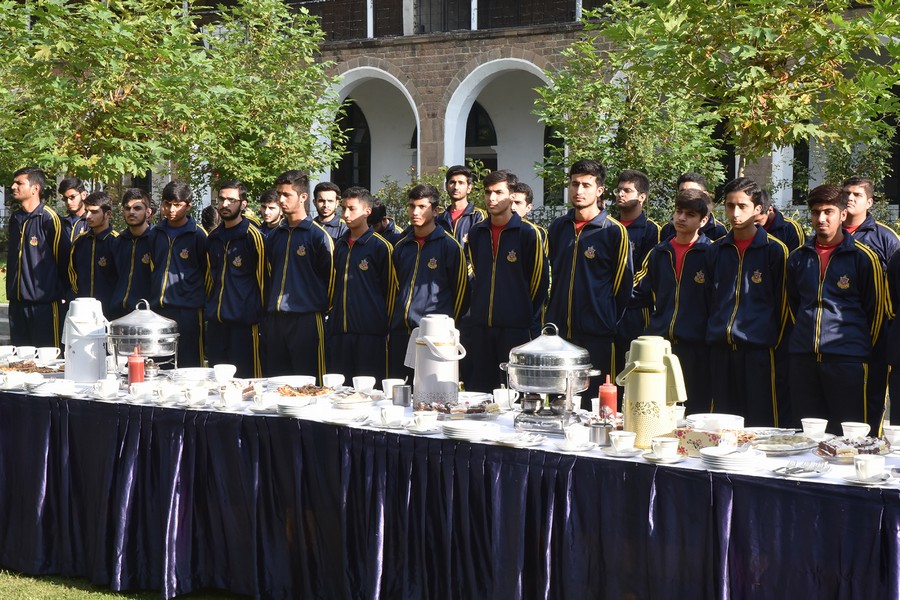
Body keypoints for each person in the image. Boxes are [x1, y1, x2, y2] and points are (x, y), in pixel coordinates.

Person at [787, 184, 885, 434]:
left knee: (849, 437)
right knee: (807, 436)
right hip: (804, 359)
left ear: (842, 214)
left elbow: (875, 311)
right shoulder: (798, 257)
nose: (821, 219)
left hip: (848, 362)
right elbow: (793, 303)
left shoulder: (864, 257)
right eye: (815, 212)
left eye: (828, 212)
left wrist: (855, 347)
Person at [545, 159, 633, 405]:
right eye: (575, 184)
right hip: (560, 334)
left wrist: (604, 316)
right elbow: (550, 274)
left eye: (586, 185)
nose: (579, 190)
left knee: (596, 404)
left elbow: (623, 285)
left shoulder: (613, 231)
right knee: (559, 402)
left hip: (597, 334)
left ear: (600, 190)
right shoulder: (558, 228)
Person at [705, 177, 788, 426]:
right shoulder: (716, 250)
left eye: (742, 206)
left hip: (759, 351)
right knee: (722, 423)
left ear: (757, 209)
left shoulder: (774, 250)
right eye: (730, 206)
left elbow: (784, 304)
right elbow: (709, 298)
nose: (735, 213)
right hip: (721, 348)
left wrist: (772, 341)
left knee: (760, 422)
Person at [464, 171, 549, 392]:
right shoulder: (476, 233)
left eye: (498, 192)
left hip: (516, 328)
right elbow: (478, 274)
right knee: (480, 392)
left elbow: (539, 282)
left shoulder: (528, 233)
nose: (492, 198)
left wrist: (524, 316)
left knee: (516, 392)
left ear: (512, 195)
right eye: (488, 192)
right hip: (481, 326)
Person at [633, 188, 713, 411]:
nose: (681, 218)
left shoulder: (711, 253)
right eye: (679, 211)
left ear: (703, 220)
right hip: (661, 344)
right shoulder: (659, 252)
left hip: (698, 345)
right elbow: (637, 291)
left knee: (695, 408)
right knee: (659, 406)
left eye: (690, 214)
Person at [388, 184, 468, 379]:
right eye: (411, 206)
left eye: (422, 207)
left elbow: (461, 293)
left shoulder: (450, 246)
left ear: (435, 211)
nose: (415, 212)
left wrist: (444, 326)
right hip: (401, 332)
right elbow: (394, 288)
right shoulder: (401, 246)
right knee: (399, 389)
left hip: (434, 335)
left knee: (431, 391)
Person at [841, 176, 898, 432]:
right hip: (837, 334)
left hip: (875, 333)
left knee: (872, 398)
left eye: (857, 194)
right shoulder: (831, 233)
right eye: (846, 194)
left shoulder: (884, 237)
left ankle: (872, 444)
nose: (850, 198)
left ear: (870, 202)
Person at [264, 170, 334, 379]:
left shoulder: (318, 236)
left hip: (307, 320)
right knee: (276, 382)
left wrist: (315, 307)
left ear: (303, 197)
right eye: (279, 194)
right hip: (275, 320)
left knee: (309, 382)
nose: (281, 200)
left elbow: (331, 280)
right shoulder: (274, 236)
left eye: (287, 195)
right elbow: (269, 273)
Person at [328, 187, 396, 379]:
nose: (346, 214)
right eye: (344, 208)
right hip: (340, 331)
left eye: (352, 209)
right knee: (340, 389)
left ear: (367, 211)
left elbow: (390, 291)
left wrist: (383, 326)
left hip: (370, 334)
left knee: (369, 389)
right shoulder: (340, 245)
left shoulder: (381, 247)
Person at [754, 188, 805, 426]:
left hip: (781, 312)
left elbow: (794, 274)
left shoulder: (789, 231)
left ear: (769, 210)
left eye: (758, 220)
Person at [205, 181, 265, 378]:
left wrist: (258, 315)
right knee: (217, 381)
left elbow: (263, 280)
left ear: (243, 204)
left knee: (246, 381)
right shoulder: (213, 237)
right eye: (221, 199)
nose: (225, 204)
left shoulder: (253, 236)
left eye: (231, 200)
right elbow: (210, 279)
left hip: (244, 323)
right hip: (217, 322)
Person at [6, 167, 70, 347]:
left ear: (35, 188)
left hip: (44, 305)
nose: (13, 187)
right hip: (17, 304)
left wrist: (62, 292)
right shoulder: (15, 218)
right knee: (20, 357)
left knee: (47, 357)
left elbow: (64, 258)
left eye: (19, 183)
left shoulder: (48, 218)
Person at [149, 181, 209, 368]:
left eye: (177, 205)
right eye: (167, 204)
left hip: (188, 309)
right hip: (159, 309)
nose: (171, 209)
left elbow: (206, 270)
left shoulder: (198, 235)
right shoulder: (156, 233)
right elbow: (154, 264)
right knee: (159, 363)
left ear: (188, 205)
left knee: (189, 363)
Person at [612, 169, 660, 395]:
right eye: (619, 190)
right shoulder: (609, 226)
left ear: (642, 197)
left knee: (634, 372)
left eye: (627, 190)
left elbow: (646, 271)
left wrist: (617, 290)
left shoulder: (652, 230)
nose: (621, 194)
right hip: (607, 308)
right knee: (609, 372)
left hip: (636, 309)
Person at [68, 191, 119, 317]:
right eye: (87, 211)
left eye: (94, 212)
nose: (88, 216)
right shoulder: (80, 241)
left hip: (109, 311)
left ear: (108, 214)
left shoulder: (117, 241)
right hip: (82, 310)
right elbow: (72, 273)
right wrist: (76, 297)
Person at [109, 188, 154, 319]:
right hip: (118, 312)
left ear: (148, 212)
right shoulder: (118, 241)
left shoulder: (156, 240)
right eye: (127, 208)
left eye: (137, 208)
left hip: (147, 313)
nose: (131, 212)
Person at [659, 173, 727, 241]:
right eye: (682, 192)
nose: (687, 196)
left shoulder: (718, 230)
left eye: (693, 192)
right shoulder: (668, 228)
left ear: (705, 195)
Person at [436, 164, 486, 246]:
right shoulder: (440, 218)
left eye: (461, 183)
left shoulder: (477, 216)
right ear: (446, 186)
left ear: (469, 188)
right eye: (452, 182)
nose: (456, 187)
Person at [58, 177, 89, 242]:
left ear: (83, 195)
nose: (68, 202)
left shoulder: (91, 221)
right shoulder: (61, 223)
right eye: (65, 198)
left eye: (72, 197)